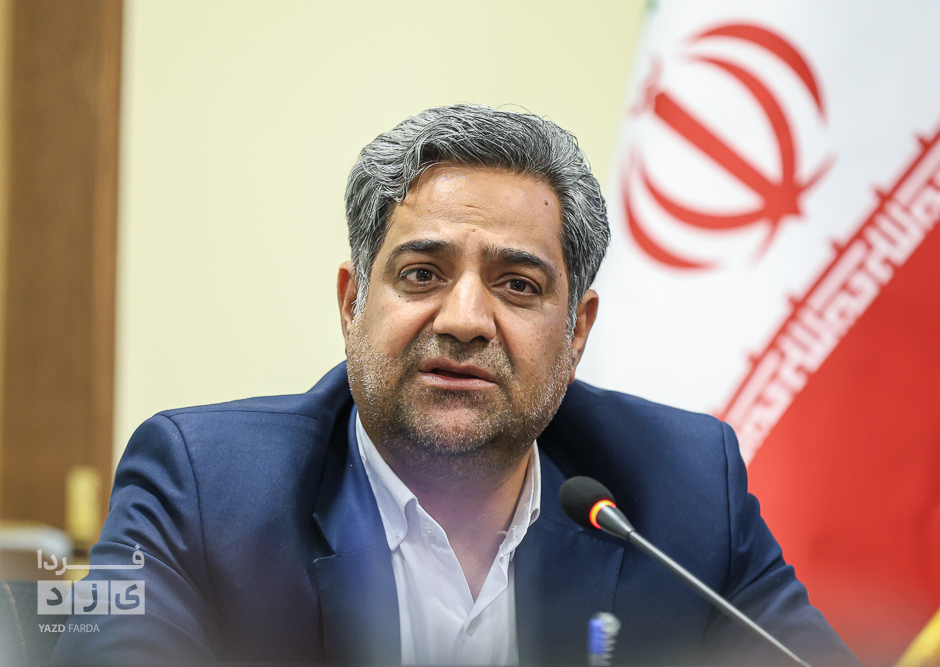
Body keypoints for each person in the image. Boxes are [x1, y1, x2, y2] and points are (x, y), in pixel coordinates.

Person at [52, 104, 857, 665]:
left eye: (518, 285)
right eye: (422, 273)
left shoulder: (684, 490)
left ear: (577, 332)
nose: (466, 319)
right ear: (352, 304)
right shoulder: (199, 485)